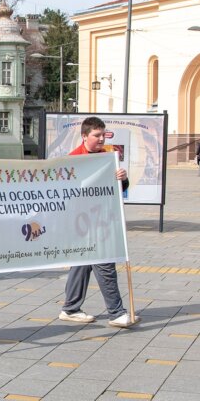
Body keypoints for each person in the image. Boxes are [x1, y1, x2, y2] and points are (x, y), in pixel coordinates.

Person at [58, 116, 136, 328]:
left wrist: (122, 178)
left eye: (103, 134)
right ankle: (116, 312)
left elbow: (119, 190)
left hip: (102, 218)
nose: (102, 138)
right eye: (97, 135)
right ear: (84, 136)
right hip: (83, 223)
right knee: (105, 264)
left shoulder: (108, 157)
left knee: (82, 265)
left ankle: (70, 308)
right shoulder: (73, 159)